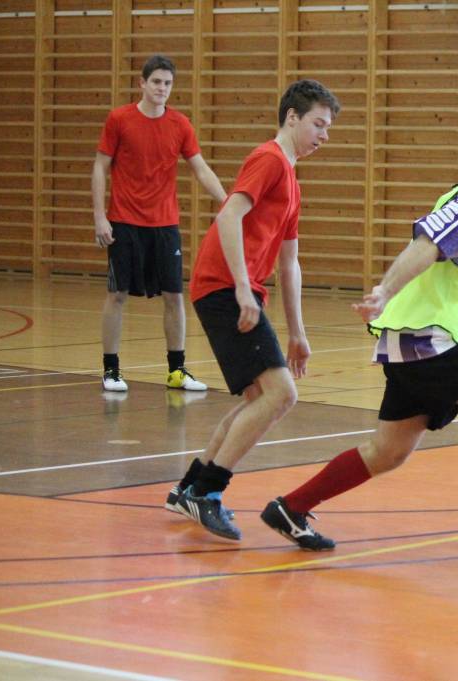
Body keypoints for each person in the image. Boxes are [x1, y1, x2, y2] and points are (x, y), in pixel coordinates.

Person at [258, 133, 458, 560]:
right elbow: (428, 245)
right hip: (428, 340)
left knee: (387, 452)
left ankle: (290, 508)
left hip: (415, 343)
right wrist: (384, 291)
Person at [166, 80, 340, 540]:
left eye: (328, 128)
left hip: (237, 290)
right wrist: (243, 288)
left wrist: (298, 332)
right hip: (224, 287)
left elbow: (290, 262)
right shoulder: (270, 160)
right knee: (281, 395)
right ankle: (207, 493)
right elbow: (228, 215)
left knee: (260, 398)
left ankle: (189, 487)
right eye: (318, 124)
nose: (324, 135)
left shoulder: (292, 181)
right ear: (292, 118)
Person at [93, 54, 227, 393]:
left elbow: (200, 168)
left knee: (174, 296)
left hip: (165, 225)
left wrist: (227, 202)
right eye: (156, 82)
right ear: (142, 83)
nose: (161, 88)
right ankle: (111, 370)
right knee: (117, 295)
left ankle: (176, 371)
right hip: (124, 221)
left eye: (167, 83)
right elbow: (100, 167)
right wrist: (99, 216)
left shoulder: (180, 124)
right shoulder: (119, 119)